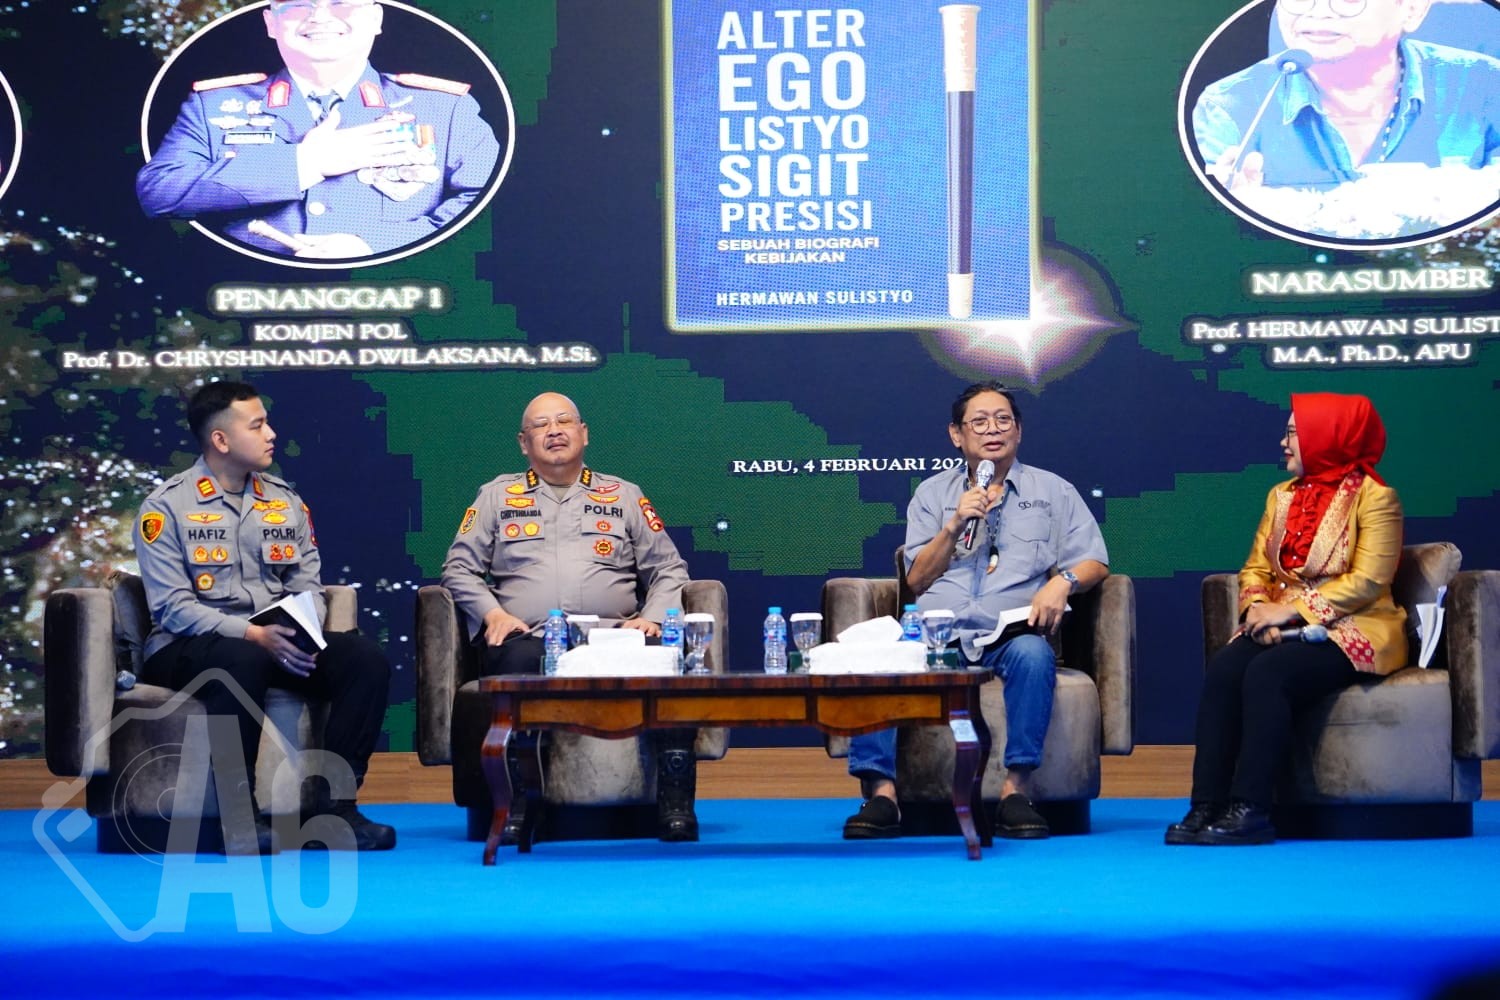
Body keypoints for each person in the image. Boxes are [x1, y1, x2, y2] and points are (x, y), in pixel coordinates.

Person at [134, 381, 395, 853]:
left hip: (273, 640)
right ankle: (238, 819)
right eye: (257, 426)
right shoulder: (166, 506)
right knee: (243, 659)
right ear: (221, 440)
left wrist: (302, 627)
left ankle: (334, 808)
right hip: (186, 648)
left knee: (363, 660)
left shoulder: (284, 500)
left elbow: (307, 583)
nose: (271, 434)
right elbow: (172, 607)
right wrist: (252, 634)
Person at [842, 382, 1110, 841]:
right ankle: (882, 795)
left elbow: (1095, 561)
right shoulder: (932, 494)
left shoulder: (1053, 491)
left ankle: (1015, 792)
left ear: (1018, 431)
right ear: (956, 435)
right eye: (980, 422)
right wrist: (953, 525)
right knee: (878, 659)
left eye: (1003, 420)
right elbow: (917, 580)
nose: (993, 430)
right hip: (936, 635)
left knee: (1034, 655)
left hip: (1010, 633)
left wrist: (1062, 581)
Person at [440, 392, 701, 842]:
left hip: (612, 637)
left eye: (564, 421)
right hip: (531, 635)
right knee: (516, 663)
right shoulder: (496, 496)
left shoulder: (624, 495)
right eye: (541, 425)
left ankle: (674, 803)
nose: (554, 431)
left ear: (584, 434)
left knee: (665, 661)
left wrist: (653, 617)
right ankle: (521, 805)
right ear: (524, 442)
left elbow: (669, 569)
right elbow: (458, 569)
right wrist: (493, 614)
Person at [1167, 393, 1404, 846]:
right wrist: (1258, 610)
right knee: (1225, 668)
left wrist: (1293, 611)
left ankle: (1251, 809)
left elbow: (1369, 580)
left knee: (1269, 672)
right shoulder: (1281, 495)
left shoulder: (1376, 498)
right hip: (1281, 621)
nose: (1283, 442)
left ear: (1326, 437)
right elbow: (1255, 568)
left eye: (1294, 433)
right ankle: (1207, 804)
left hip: (1355, 628)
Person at [136, 0, 501, 260]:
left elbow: (490, 205)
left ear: (376, 18)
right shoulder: (214, 104)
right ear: (270, 22)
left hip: (399, 297)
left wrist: (376, 243)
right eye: (298, 4)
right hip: (249, 302)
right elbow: (158, 193)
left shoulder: (444, 108)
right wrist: (305, 163)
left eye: (342, 2)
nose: (320, 16)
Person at [1192, 0, 1499, 206]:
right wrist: (1234, 207)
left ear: (1412, 9)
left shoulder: (1485, 84)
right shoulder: (1228, 105)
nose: (1318, 12)